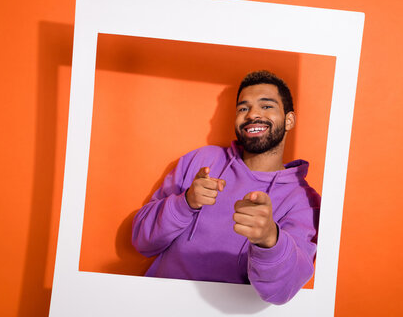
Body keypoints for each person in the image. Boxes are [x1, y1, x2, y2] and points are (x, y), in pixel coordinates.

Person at [132, 70, 320, 305]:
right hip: (155, 304)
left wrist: (269, 238)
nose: (252, 114)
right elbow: (142, 241)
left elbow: (282, 292)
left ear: (289, 120)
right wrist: (185, 202)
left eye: (266, 106)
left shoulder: (304, 201)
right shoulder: (201, 160)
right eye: (243, 108)